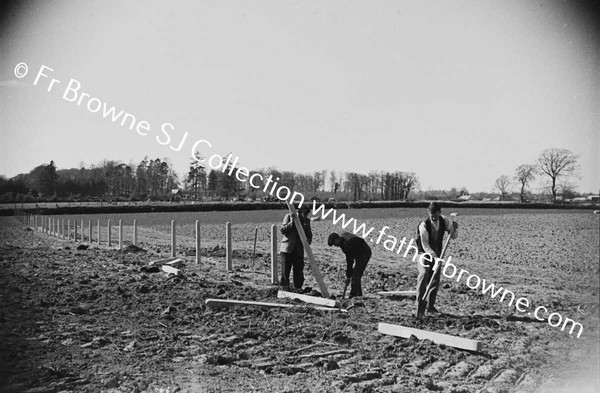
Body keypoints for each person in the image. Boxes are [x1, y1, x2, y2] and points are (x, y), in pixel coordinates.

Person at [416, 201, 458, 320]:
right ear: (428, 213)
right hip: (423, 253)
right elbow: (424, 244)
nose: (433, 218)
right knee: (424, 274)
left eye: (435, 215)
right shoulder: (423, 225)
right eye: (431, 215)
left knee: (435, 279)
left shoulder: (444, 220)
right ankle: (419, 303)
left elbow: (453, 236)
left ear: (440, 212)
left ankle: (430, 306)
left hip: (437, 253)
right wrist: (433, 256)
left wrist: (454, 229)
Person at [327, 232, 372, 298]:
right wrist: (348, 275)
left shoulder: (347, 244)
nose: (335, 246)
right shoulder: (343, 243)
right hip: (358, 252)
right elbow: (350, 259)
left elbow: (350, 261)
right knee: (356, 274)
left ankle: (353, 295)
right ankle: (358, 294)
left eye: (334, 243)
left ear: (337, 239)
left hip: (365, 252)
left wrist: (348, 275)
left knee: (355, 274)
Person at [280, 204, 313, 292]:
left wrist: (308, 241)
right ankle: (284, 288)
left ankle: (297, 288)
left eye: (306, 214)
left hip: (299, 250)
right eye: (304, 213)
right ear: (300, 211)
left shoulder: (306, 221)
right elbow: (283, 230)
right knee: (285, 270)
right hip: (287, 248)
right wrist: (292, 222)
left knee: (298, 270)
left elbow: (309, 234)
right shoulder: (288, 216)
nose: (305, 216)